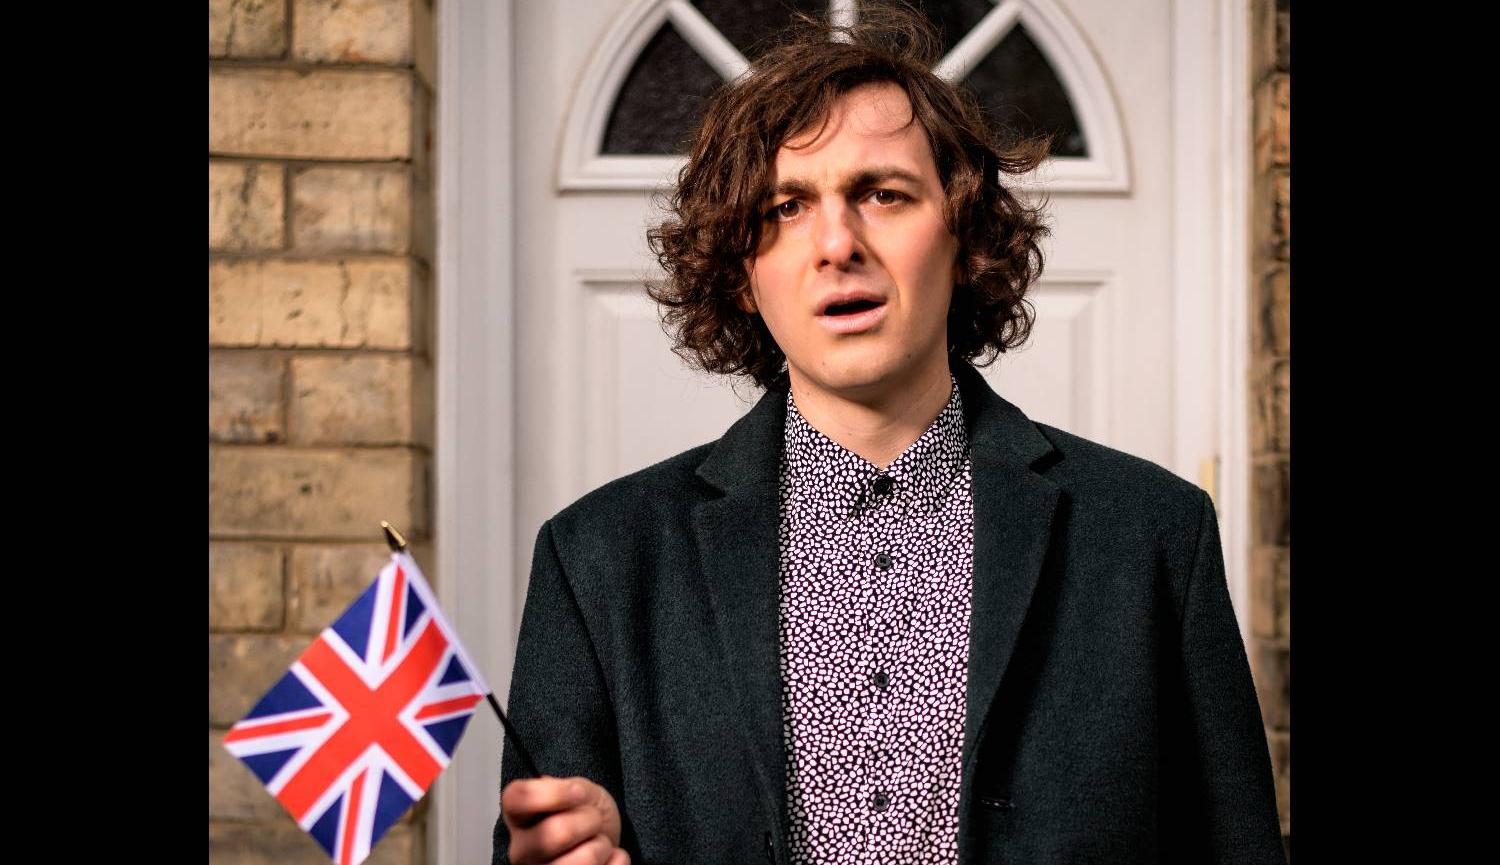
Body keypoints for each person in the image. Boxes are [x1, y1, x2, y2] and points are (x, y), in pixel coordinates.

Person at [493, 5, 1286, 864]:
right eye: (787, 206)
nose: (837, 242)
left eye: (883, 193)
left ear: (964, 236)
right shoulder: (599, 559)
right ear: (744, 275)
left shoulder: (1154, 535)